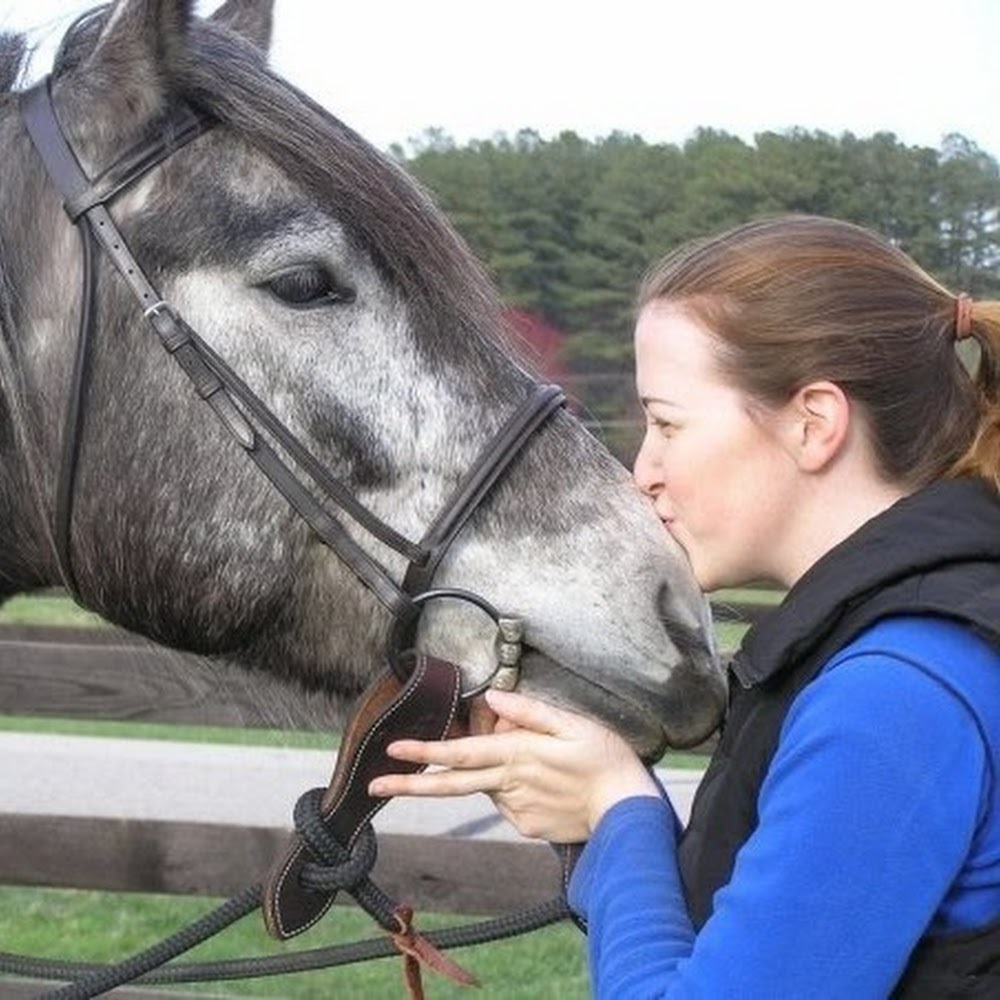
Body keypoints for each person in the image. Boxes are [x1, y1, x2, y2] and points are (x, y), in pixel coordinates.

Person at [368, 215, 1000, 997]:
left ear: (814, 424)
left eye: (666, 423)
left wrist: (618, 808)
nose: (645, 472)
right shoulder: (928, 636)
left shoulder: (895, 694)